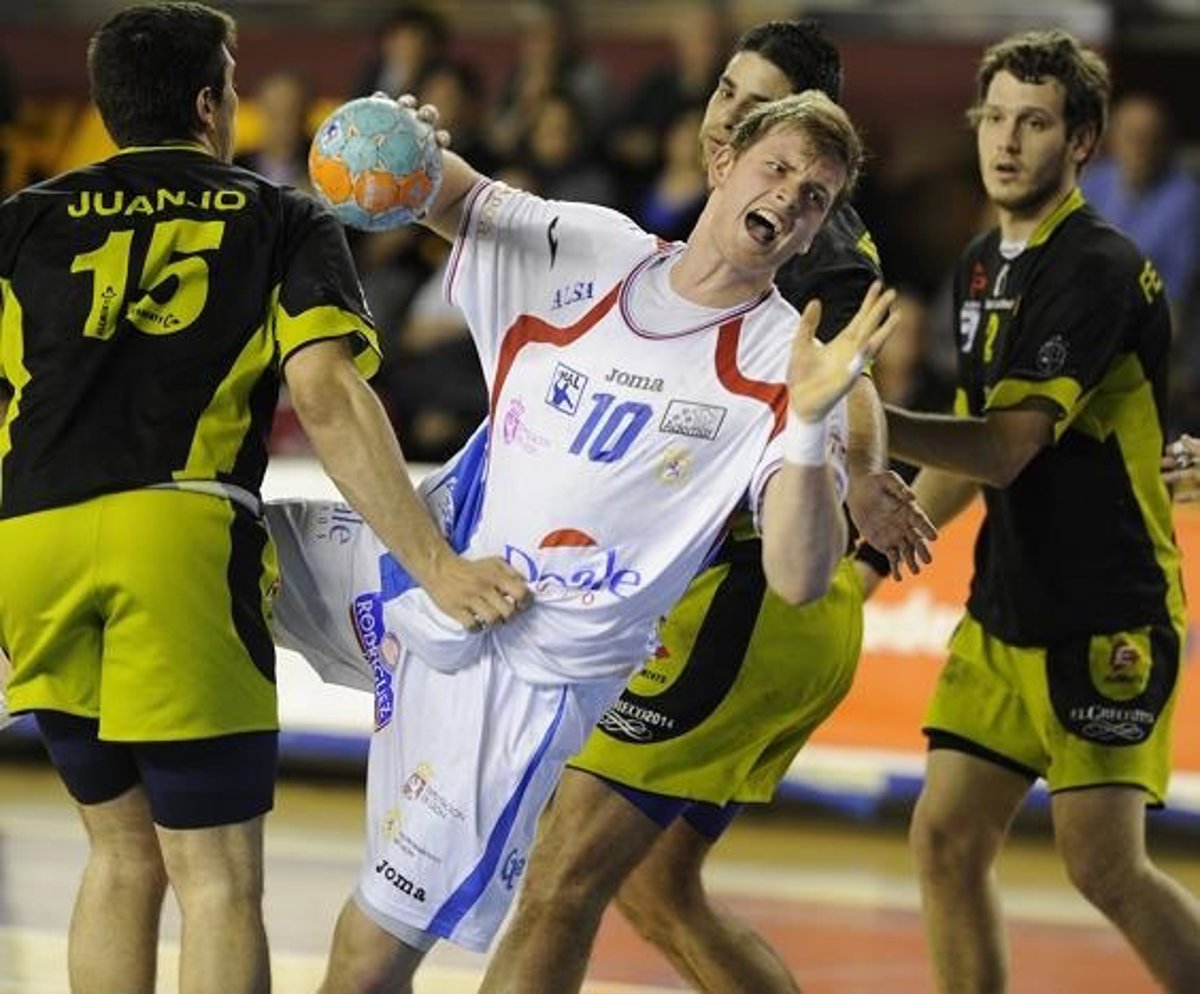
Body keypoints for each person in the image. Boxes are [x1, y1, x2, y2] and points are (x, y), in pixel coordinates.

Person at [266, 88, 899, 993]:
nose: (791, 198)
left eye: (816, 197)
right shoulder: (592, 245)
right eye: (780, 169)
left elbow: (800, 576)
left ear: (811, 236)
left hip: (520, 675)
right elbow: (447, 195)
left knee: (366, 960)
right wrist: (407, 144)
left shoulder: (781, 364)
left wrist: (806, 428)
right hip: (428, 560)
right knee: (213, 549)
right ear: (723, 163)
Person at [0, 5, 526, 994]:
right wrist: (437, 565)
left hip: (29, 542)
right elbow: (326, 395)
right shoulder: (278, 215)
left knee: (118, 855)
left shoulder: (21, 218)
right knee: (217, 877)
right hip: (176, 536)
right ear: (211, 104)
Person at [481, 21, 934, 994]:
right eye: (725, 89)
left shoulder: (809, 229)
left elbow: (843, 373)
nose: (724, 113)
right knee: (654, 888)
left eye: (754, 102)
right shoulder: (719, 221)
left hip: (747, 603)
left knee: (558, 882)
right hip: (745, 605)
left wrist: (861, 472)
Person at [881, 29, 1200, 993]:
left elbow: (1007, 447)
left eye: (1035, 122)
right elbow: (969, 447)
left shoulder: (1096, 268)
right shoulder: (983, 261)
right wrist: (866, 560)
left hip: (1105, 615)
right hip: (1004, 611)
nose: (1007, 141)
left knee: (1102, 864)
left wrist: (862, 419)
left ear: (1082, 142)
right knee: (945, 837)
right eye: (994, 118)